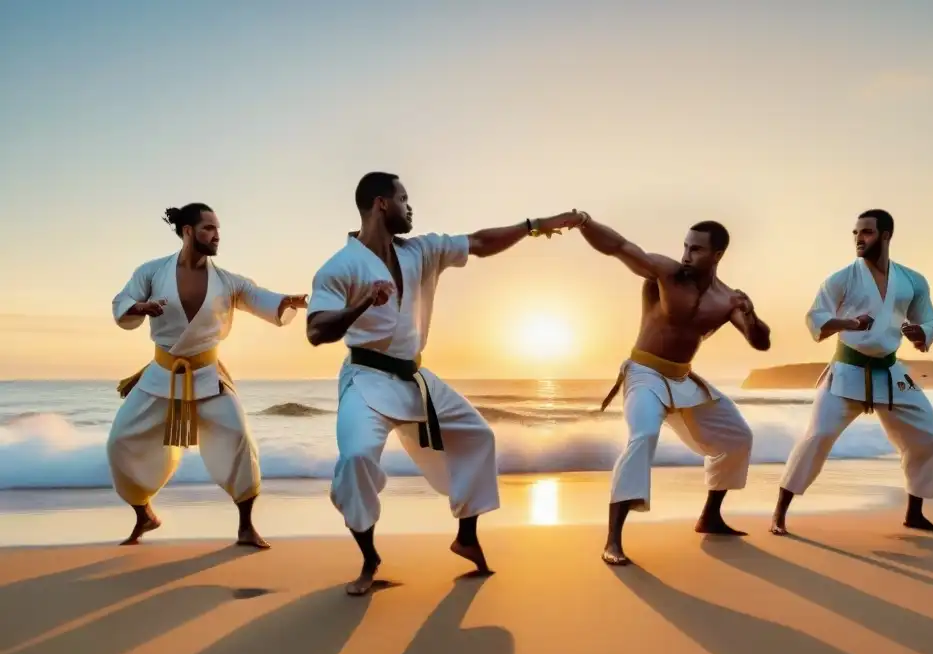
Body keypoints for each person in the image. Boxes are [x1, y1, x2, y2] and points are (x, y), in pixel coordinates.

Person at [306, 171, 580, 595]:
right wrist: (362, 304)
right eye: (403, 197)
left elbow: (480, 242)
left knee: (478, 437)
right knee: (357, 459)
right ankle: (369, 558)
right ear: (381, 204)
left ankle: (466, 535)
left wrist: (535, 226)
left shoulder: (422, 250)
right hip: (365, 380)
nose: (410, 206)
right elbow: (317, 332)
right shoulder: (339, 268)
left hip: (414, 378)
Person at [572, 213, 771, 565]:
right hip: (644, 374)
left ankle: (710, 515)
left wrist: (751, 313)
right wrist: (584, 222)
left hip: (683, 380)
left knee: (738, 437)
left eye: (696, 249)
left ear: (717, 255)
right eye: (685, 246)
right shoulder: (666, 274)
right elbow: (620, 247)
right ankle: (613, 541)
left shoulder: (726, 299)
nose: (686, 254)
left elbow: (760, 343)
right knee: (644, 435)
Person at [108, 203, 308, 548]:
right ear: (187, 231)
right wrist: (138, 307)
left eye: (218, 229)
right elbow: (123, 300)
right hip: (161, 375)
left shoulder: (227, 281)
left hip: (208, 376)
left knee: (239, 439)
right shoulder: (152, 272)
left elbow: (259, 297)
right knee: (120, 442)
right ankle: (144, 514)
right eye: (208, 229)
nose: (216, 236)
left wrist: (291, 300)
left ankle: (246, 525)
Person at [771, 209, 933, 535]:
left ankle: (915, 513)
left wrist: (922, 334)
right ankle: (779, 513)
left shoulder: (911, 280)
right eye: (855, 233)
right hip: (846, 370)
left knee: (931, 437)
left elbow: (929, 319)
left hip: (891, 373)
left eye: (866, 232)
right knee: (818, 435)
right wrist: (849, 323)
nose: (858, 239)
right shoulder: (841, 278)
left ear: (886, 235)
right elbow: (816, 319)